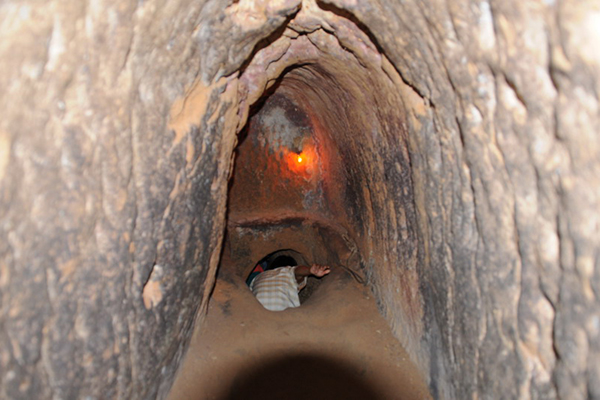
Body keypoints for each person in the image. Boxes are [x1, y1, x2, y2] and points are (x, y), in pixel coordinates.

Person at [249, 256, 330, 311]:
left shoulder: (259, 276)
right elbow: (298, 271)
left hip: (257, 312)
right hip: (282, 310)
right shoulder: (287, 270)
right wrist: (309, 270)